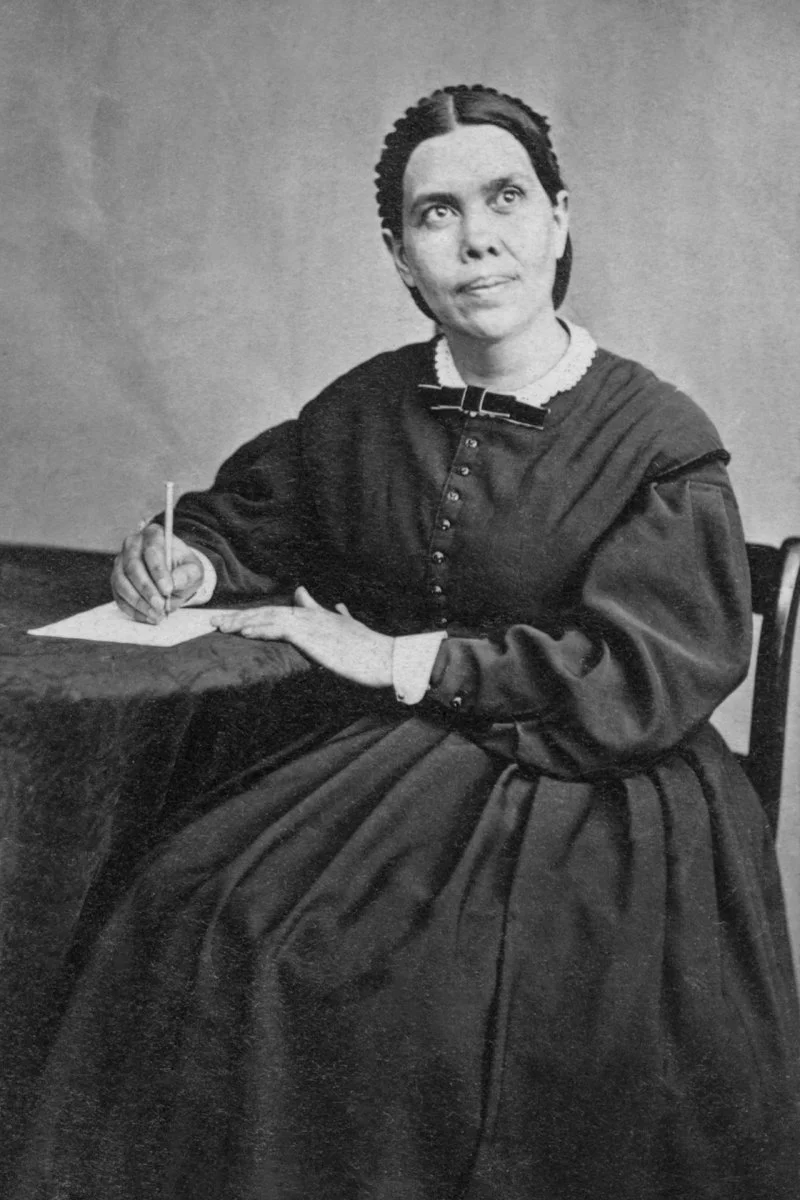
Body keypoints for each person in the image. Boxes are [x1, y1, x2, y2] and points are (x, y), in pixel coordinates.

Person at [14, 85, 800, 1200]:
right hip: (394, 768)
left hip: (603, 789)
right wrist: (187, 556)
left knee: (405, 989)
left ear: (558, 220)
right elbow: (252, 520)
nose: (477, 239)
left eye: (505, 199)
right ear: (398, 256)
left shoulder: (657, 439)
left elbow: (633, 678)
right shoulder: (366, 407)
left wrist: (388, 657)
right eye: (437, 214)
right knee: (193, 902)